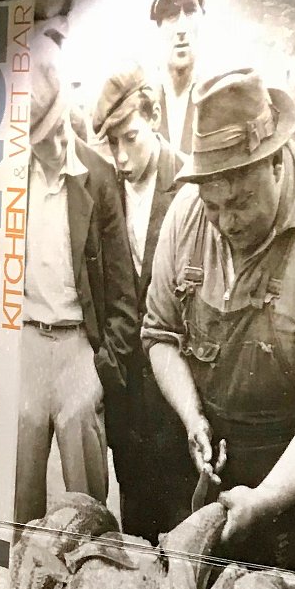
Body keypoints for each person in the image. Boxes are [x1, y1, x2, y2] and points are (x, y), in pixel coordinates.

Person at [143, 68, 295, 589]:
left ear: (277, 162)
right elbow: (160, 334)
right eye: (214, 206)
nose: (226, 222)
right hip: (227, 483)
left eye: (241, 202)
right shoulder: (187, 215)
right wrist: (192, 417)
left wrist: (265, 500)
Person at [14, 54, 139, 526]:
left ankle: (90, 567)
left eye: (62, 125)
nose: (60, 141)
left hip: (78, 346)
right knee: (18, 499)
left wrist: (100, 371)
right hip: (25, 342)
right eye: (44, 137)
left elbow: (124, 295)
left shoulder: (99, 176)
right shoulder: (9, 181)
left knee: (87, 507)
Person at [91, 68, 190, 540]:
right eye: (112, 144)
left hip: (177, 398)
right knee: (135, 528)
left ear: (154, 118)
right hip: (127, 398)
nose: (121, 157)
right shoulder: (104, 188)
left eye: (130, 138)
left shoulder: (189, 183)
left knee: (182, 528)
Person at [149, 0, 207, 152]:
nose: (181, 28)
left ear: (202, 17)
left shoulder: (215, 98)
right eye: (171, 14)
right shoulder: (143, 101)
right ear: (159, 27)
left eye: (190, 11)